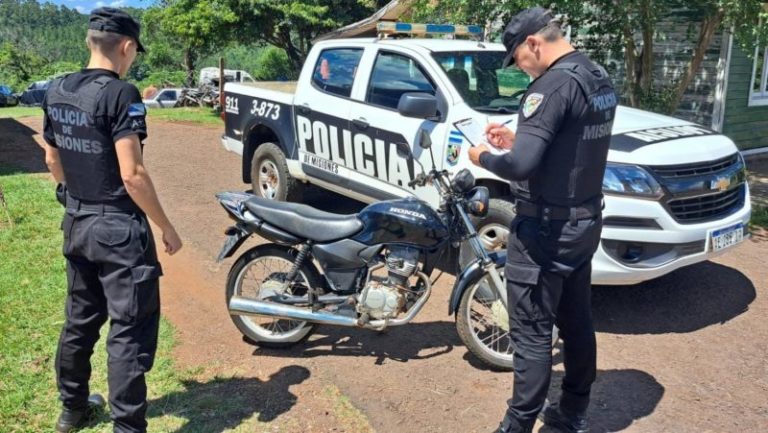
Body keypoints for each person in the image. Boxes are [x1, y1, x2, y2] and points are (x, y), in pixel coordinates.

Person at [468, 7, 617, 433]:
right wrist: (523, 138)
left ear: (534, 43)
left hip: (545, 232)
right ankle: (572, 415)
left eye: (517, 58)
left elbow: (519, 166)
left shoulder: (550, 87)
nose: (518, 68)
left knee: (532, 334)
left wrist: (485, 157)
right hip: (583, 223)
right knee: (576, 320)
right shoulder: (596, 76)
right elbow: (572, 149)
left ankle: (515, 427)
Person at [42, 7, 182, 433]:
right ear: (125, 46)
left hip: (78, 222)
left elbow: (51, 157)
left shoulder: (57, 89)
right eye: (134, 51)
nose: (133, 59)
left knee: (80, 320)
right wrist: (166, 226)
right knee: (129, 329)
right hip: (119, 230)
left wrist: (71, 195)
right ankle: (127, 427)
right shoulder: (122, 94)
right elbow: (132, 174)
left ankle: (73, 407)